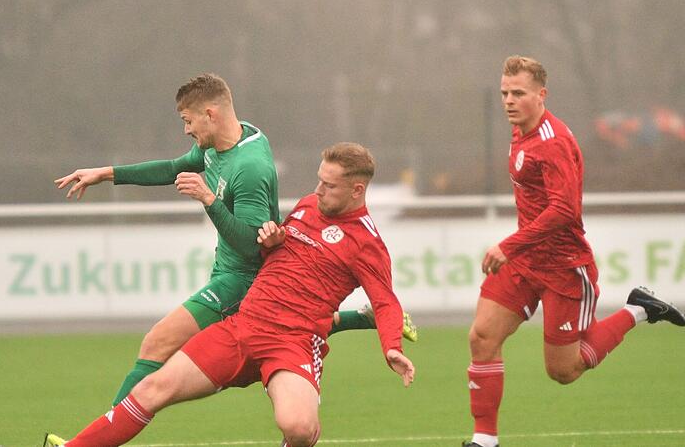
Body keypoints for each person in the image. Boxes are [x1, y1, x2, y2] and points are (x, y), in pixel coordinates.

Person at [54, 73, 418, 408]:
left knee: (157, 342)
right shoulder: (220, 144)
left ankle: (100, 434)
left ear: (210, 114)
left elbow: (250, 246)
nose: (185, 130)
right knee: (171, 346)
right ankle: (358, 318)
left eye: (187, 120)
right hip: (225, 270)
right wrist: (107, 173)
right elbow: (172, 168)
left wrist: (209, 201)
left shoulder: (251, 168)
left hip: (243, 278)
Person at [44, 142, 416, 447]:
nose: (317, 190)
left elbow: (385, 300)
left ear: (357, 190)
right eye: (318, 181)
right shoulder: (307, 206)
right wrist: (273, 241)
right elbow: (280, 256)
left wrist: (391, 347)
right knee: (152, 388)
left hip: (293, 344)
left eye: (329, 186)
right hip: (244, 327)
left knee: (299, 429)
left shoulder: (368, 244)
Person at [462, 56, 685, 447]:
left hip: (565, 269)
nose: (509, 101)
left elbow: (565, 210)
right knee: (482, 336)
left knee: (564, 371)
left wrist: (508, 244)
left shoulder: (554, 143)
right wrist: (518, 248)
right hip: (526, 261)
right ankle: (485, 441)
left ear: (541, 95)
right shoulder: (520, 131)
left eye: (518, 93)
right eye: (504, 93)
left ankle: (640, 309)